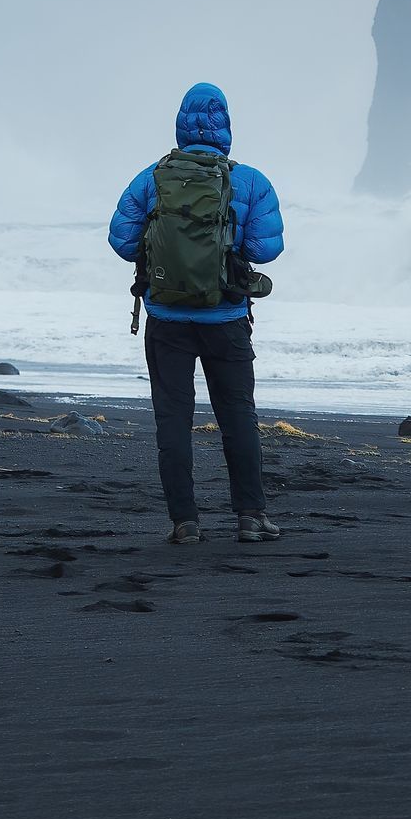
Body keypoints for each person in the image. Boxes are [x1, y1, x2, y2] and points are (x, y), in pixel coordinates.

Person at [108, 82, 285, 544]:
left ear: (180, 124)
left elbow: (120, 239)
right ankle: (250, 517)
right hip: (226, 319)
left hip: (165, 317)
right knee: (237, 415)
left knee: (172, 418)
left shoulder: (151, 178)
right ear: (226, 125)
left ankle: (185, 523)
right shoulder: (249, 182)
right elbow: (267, 249)